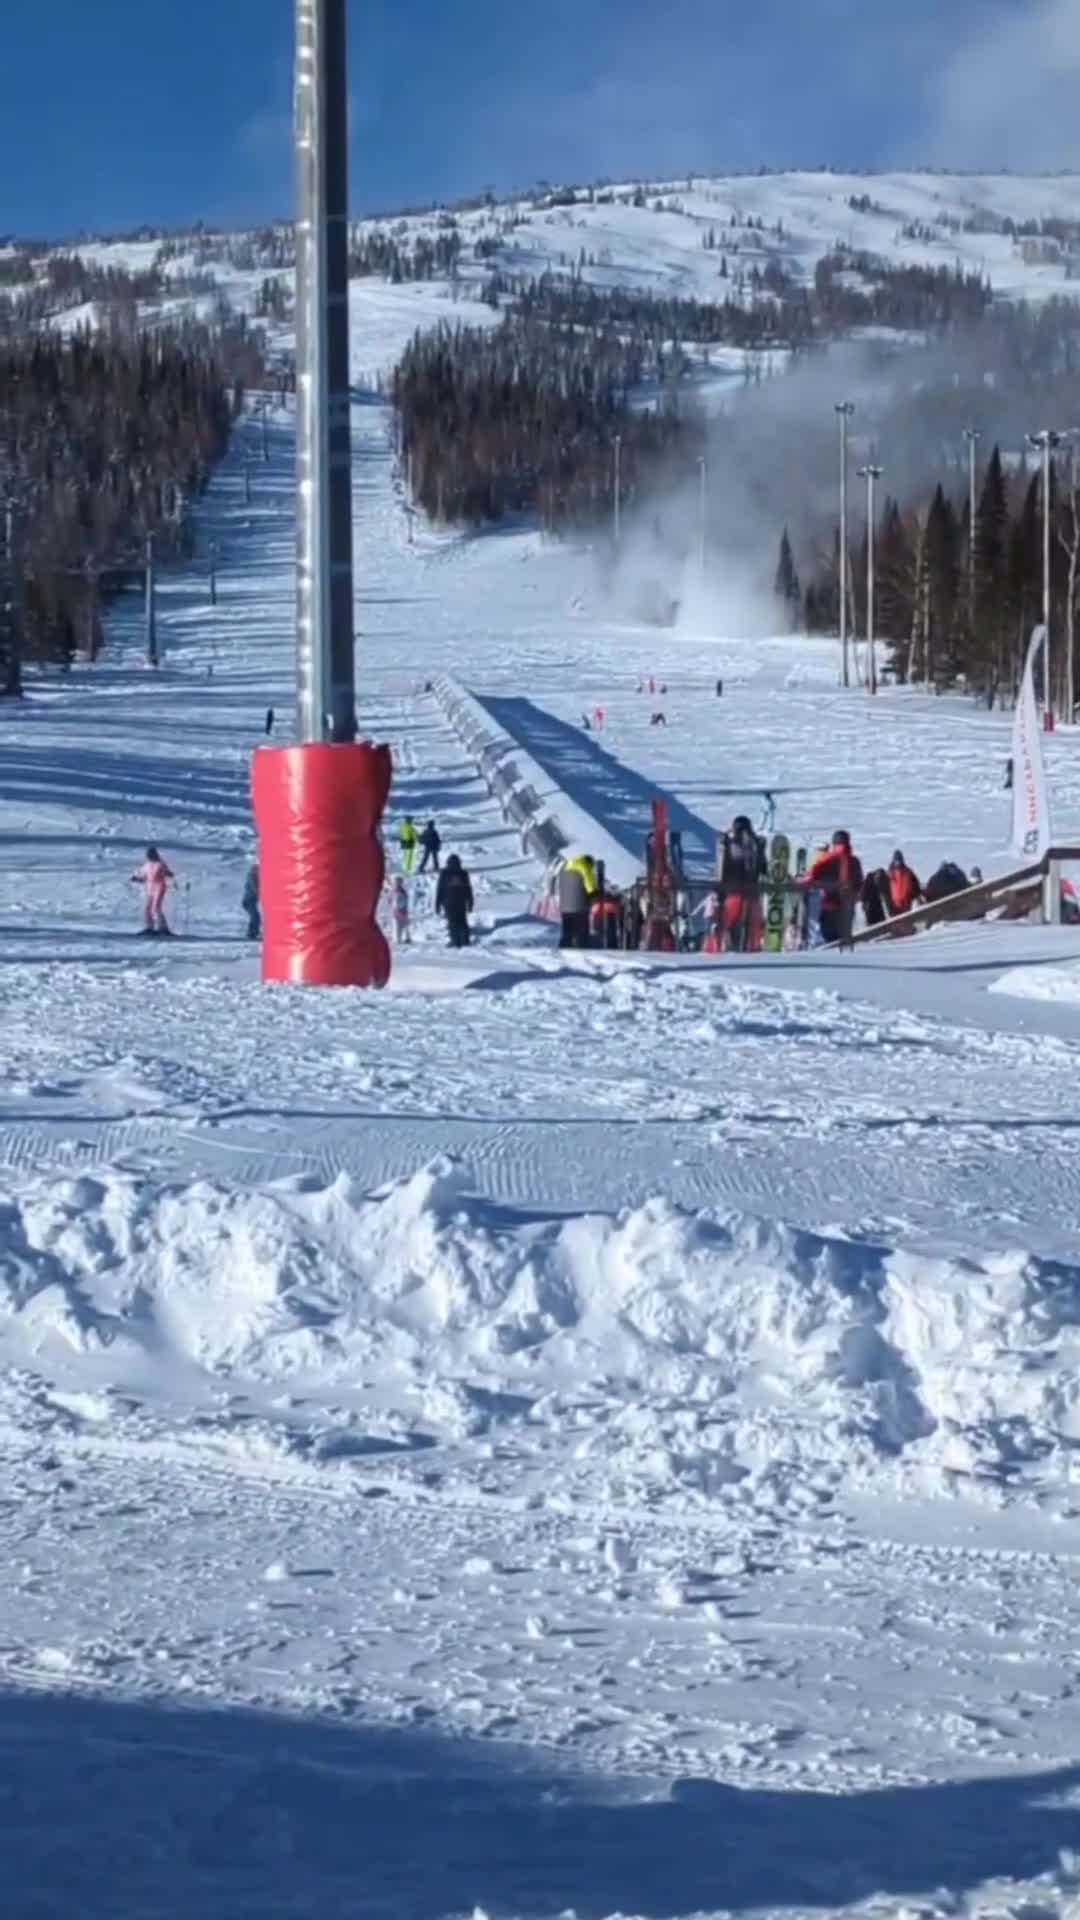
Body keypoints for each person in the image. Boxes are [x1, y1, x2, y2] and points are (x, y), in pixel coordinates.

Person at [802, 830, 863, 946]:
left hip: (830, 906)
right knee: (843, 943)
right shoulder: (854, 861)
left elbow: (811, 876)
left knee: (829, 943)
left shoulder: (828, 859)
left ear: (834, 842)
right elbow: (860, 885)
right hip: (848, 909)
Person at [718, 814, 766, 952]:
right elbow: (762, 868)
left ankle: (738, 946)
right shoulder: (754, 844)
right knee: (745, 922)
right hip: (745, 890)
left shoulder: (735, 845)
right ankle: (745, 946)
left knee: (736, 921)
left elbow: (724, 868)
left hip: (736, 890)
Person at [132, 845, 175, 936]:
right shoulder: (147, 865)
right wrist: (137, 879)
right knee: (147, 908)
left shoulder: (160, 864)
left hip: (159, 887)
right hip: (150, 887)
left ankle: (163, 928)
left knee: (156, 907)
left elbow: (168, 873)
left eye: (150, 854)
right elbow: (145, 878)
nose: (149, 856)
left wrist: (169, 874)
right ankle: (150, 927)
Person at [558, 853, 596, 948]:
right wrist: (593, 892)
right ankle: (583, 945)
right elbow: (589, 881)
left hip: (565, 906)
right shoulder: (584, 866)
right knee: (582, 930)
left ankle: (564, 946)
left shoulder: (566, 867)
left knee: (567, 929)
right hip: (579, 905)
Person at [436, 854, 474, 948]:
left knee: (452, 922)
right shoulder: (463, 873)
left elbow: (440, 889)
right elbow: (468, 889)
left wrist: (437, 904)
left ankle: (455, 941)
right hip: (461, 902)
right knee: (462, 921)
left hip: (448, 902)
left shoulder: (444, 873)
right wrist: (470, 902)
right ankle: (465, 940)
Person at [886, 850, 922, 916]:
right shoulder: (890, 874)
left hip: (906, 903)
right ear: (893, 861)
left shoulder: (908, 872)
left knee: (906, 921)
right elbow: (886, 889)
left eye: (899, 860)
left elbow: (915, 885)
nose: (898, 863)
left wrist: (918, 896)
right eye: (896, 861)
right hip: (894, 905)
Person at [241, 860, 261, 941]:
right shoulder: (252, 876)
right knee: (255, 917)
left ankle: (254, 932)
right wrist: (258, 892)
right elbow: (253, 887)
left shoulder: (255, 876)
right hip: (248, 900)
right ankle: (251, 934)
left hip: (250, 900)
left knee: (256, 916)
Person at [391, 875, 411, 946]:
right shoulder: (394, 891)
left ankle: (406, 937)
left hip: (402, 910)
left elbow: (405, 901)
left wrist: (403, 908)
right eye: (396, 882)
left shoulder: (403, 892)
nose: (397, 883)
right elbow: (391, 900)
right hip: (396, 910)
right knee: (397, 925)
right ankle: (398, 938)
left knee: (404, 924)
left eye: (399, 882)